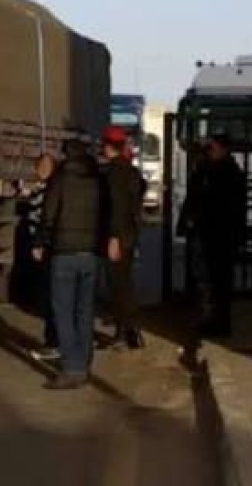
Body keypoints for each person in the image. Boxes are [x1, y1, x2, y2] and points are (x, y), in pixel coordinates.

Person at [33, 139, 104, 390]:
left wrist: (40, 242)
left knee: (63, 313)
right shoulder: (97, 179)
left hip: (64, 253)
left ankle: (72, 369)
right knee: (85, 312)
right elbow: (105, 214)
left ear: (66, 155)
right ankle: (84, 363)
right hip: (90, 254)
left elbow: (48, 214)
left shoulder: (60, 179)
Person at [178, 134, 247, 337]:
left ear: (223, 150)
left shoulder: (224, 173)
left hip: (218, 236)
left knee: (216, 281)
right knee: (209, 280)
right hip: (212, 235)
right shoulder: (211, 171)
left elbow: (215, 205)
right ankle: (212, 320)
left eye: (212, 148)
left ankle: (217, 322)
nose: (208, 152)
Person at [100, 125, 146, 350]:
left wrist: (113, 237)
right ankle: (130, 331)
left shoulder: (113, 173)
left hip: (117, 237)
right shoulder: (132, 172)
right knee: (125, 284)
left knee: (117, 287)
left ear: (109, 146)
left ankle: (124, 333)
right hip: (129, 235)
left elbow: (116, 208)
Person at [21, 154, 59, 361]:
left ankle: (54, 342)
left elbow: (44, 217)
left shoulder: (51, 190)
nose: (41, 169)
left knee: (50, 296)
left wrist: (39, 243)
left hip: (47, 248)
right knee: (47, 295)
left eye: (45, 166)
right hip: (44, 248)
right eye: (39, 165)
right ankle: (54, 341)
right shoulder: (43, 188)